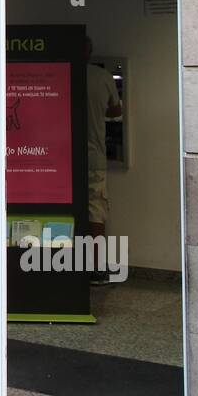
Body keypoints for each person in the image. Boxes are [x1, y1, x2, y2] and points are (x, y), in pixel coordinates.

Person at [84, 37, 122, 284]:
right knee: (96, 210)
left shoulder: (60, 73)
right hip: (94, 155)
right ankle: (96, 269)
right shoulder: (103, 76)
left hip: (62, 157)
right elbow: (116, 112)